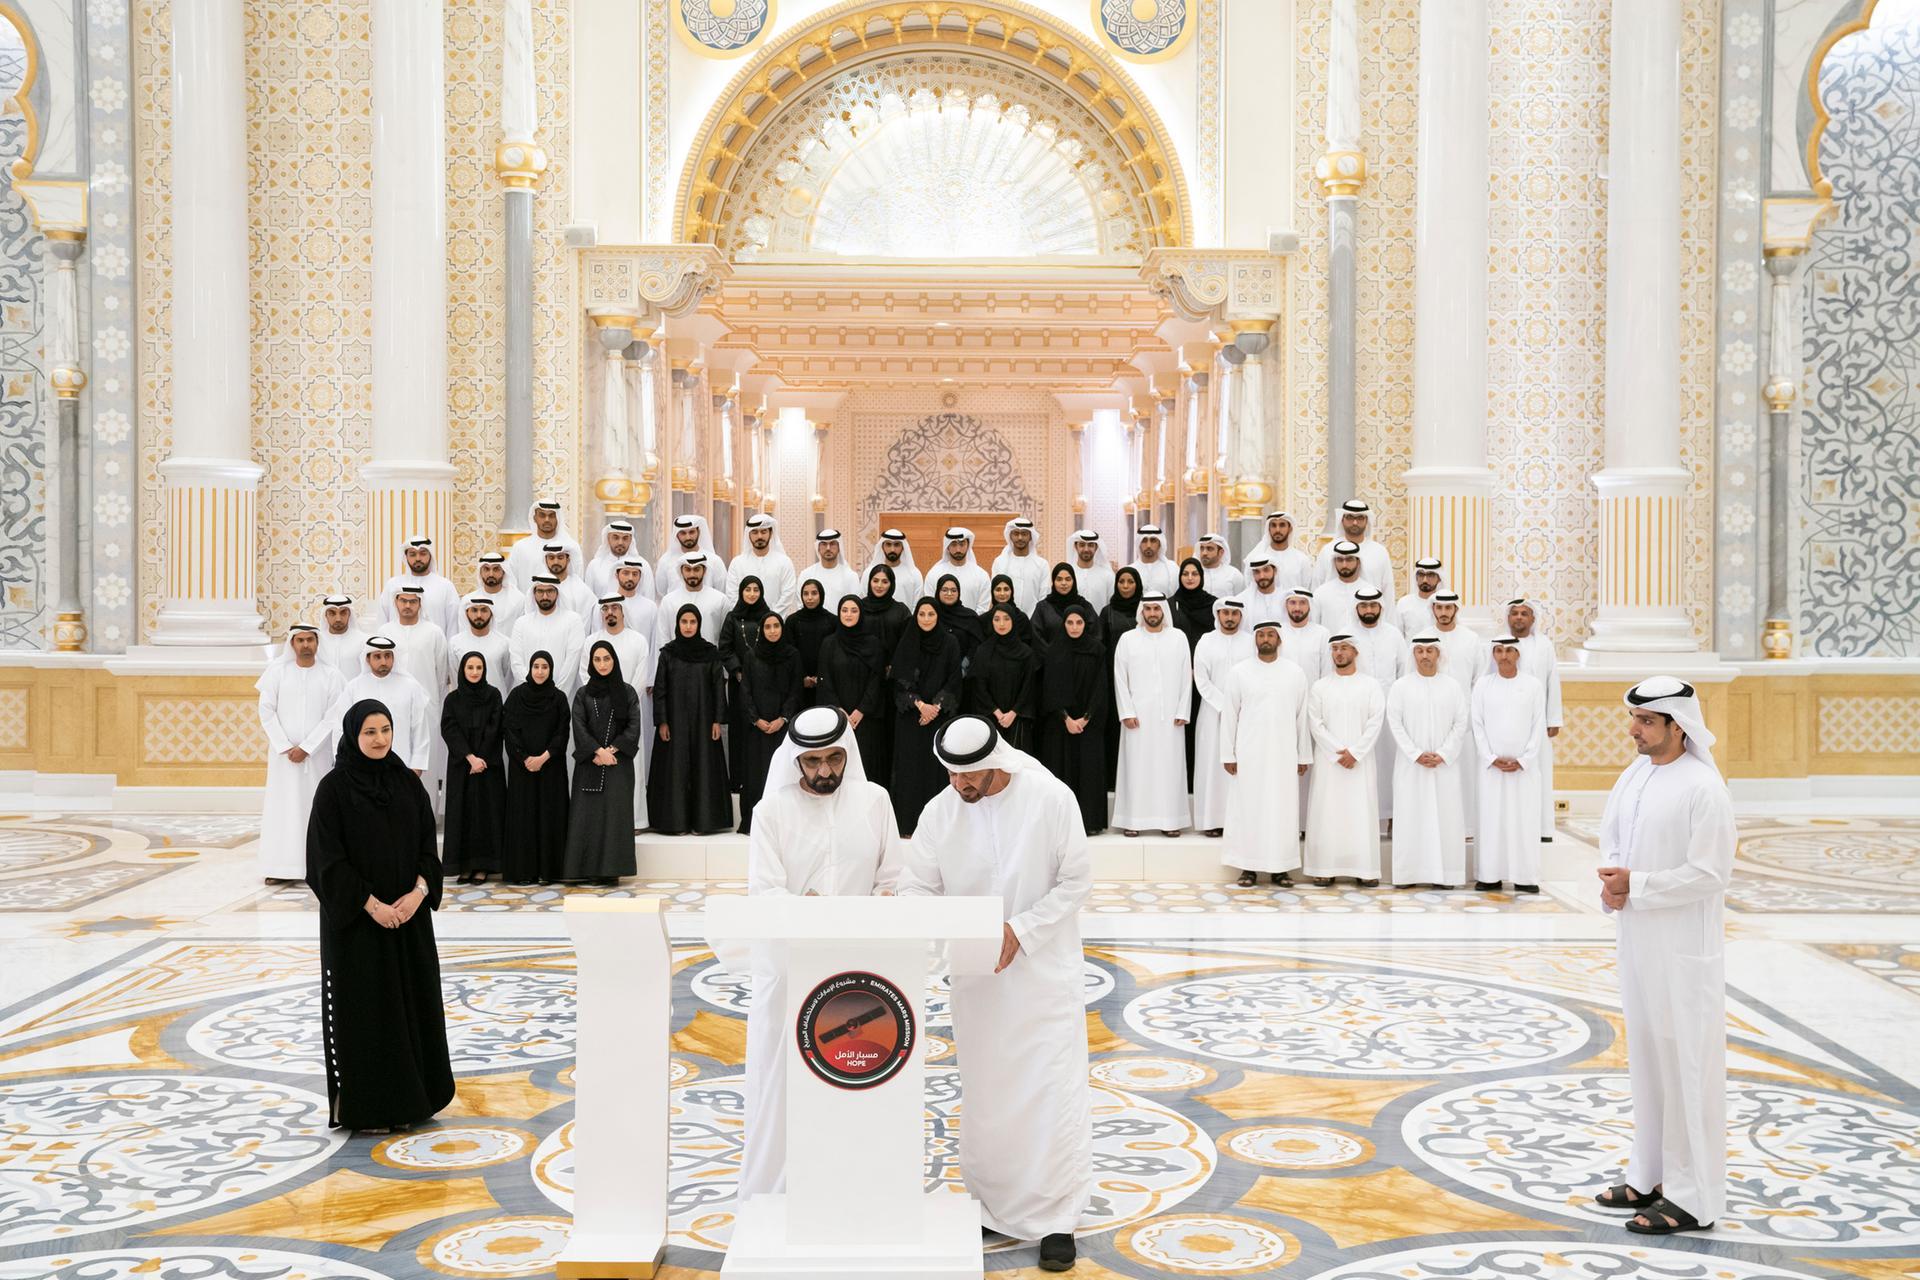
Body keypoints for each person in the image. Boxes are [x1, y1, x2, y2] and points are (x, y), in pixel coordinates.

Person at [896, 716, 1092, 1272]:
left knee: (1049, 1091)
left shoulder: (1051, 798)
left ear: (997, 760)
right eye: (953, 773)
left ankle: (1056, 1219)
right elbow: (917, 885)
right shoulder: (940, 812)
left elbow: (1077, 882)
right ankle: (995, 1206)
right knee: (988, 1092)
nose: (962, 784)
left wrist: (1020, 930)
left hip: (1044, 974)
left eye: (971, 773)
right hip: (977, 980)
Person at [740, 707, 905, 1198]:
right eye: (813, 762)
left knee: (859, 1078)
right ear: (795, 761)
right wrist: (800, 907)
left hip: (861, 975)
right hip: (790, 970)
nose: (826, 771)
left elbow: (893, 878)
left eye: (835, 759)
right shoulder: (770, 813)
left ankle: (854, 1192)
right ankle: (774, 1196)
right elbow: (763, 892)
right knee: (782, 1083)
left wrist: (882, 902)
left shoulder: (875, 801)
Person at [1594, 677, 1736, 1237]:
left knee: (1687, 1069)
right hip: (1639, 941)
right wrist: (1611, 884)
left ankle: (1693, 1197)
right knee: (1649, 1064)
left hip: (1682, 952)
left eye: (1647, 722)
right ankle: (1650, 1176)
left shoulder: (1704, 788)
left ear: (1679, 726)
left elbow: (1711, 873)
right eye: (1634, 720)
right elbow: (1612, 839)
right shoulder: (1637, 774)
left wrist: (1639, 884)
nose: (1634, 730)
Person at [306, 699, 453, 1134]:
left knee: (412, 1006)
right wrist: (371, 905)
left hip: (409, 921)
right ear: (353, 734)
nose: (380, 739)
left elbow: (429, 848)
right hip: (358, 928)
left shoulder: (407, 785)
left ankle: (416, 1100)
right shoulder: (333, 789)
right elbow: (324, 861)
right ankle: (369, 1107)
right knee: (367, 1015)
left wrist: (417, 894)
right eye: (369, 731)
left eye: (385, 729)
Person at [1220, 619, 1312, 887]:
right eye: (1261, 635)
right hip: (1249, 754)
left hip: (1283, 754)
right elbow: (1230, 716)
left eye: (1271, 634)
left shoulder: (1294, 673)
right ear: (1255, 640)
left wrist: (1303, 755)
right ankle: (1248, 868)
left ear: (1279, 640)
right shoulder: (1240, 672)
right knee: (1249, 808)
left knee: (1281, 810)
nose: (1266, 639)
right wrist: (1229, 753)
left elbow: (1301, 717)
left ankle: (1280, 869)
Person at [256, 624, 344, 883]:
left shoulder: (332, 675)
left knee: (316, 808)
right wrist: (284, 745)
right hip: (283, 758)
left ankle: (316, 866)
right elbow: (266, 711)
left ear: (318, 643)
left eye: (310, 640)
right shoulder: (276, 673)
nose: (305, 645)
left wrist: (307, 747)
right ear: (292, 644)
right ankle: (279, 868)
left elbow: (334, 716)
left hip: (317, 757)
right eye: (300, 640)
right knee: (283, 808)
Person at [1386, 638, 1470, 888]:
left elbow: (1460, 722)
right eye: (1420, 651)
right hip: (1410, 766)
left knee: (1445, 818)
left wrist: (1443, 753)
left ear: (1438, 654)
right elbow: (1395, 723)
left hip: (1444, 766)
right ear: (1414, 655)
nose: (1425, 655)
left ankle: (1446, 876)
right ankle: (1407, 875)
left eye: (1429, 651)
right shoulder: (1401, 687)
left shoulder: (1452, 687)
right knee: (1411, 817)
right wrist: (1415, 753)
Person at [1304, 635, 1385, 887]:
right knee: (1327, 812)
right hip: (1330, 763)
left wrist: (1356, 752)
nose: (1339, 653)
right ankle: (1324, 868)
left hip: (1360, 762)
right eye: (1335, 649)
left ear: (1355, 652)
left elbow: (1375, 721)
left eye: (1344, 648)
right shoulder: (1320, 687)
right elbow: (1315, 724)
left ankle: (1365, 869)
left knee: (1360, 812)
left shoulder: (1371, 685)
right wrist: (1338, 752)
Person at [562, 641, 644, 884]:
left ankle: (610, 870)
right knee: (587, 816)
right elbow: (578, 725)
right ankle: (583, 870)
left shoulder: (627, 692)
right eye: (597, 660)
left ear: (614, 660)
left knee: (614, 816)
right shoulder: (583, 694)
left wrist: (613, 750)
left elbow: (634, 725)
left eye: (606, 659)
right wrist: (598, 751)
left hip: (618, 764)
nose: (602, 664)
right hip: (590, 762)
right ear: (591, 663)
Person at [1111, 592, 1192, 838]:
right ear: (1142, 612)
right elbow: (1119, 677)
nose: (1153, 614)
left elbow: (1186, 677)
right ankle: (1132, 819)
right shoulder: (1128, 639)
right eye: (1149, 609)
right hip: (1137, 717)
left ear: (1164, 611)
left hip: (1170, 718)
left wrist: (1182, 710)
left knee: (1170, 767)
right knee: (1136, 767)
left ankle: (1171, 820)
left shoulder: (1178, 638)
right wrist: (1126, 711)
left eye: (1157, 609)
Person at [648, 604, 733, 835]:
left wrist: (717, 720)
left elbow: (718, 688)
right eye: (684, 622)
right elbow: (661, 689)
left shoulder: (710, 653)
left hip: (704, 722)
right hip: (674, 724)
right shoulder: (668, 653)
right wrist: (662, 721)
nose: (688, 627)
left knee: (703, 768)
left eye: (692, 622)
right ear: (678, 624)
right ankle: (676, 823)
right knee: (675, 770)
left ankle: (703, 823)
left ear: (699, 624)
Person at [1472, 637, 1547, 892]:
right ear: (1493, 654)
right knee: (1491, 820)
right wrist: (1490, 757)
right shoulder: (1483, 685)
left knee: (1523, 821)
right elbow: (1477, 724)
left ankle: (1525, 877)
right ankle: (1489, 875)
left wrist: (1524, 759)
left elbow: (1538, 726)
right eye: (1499, 651)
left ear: (1518, 654)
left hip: (1523, 770)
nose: (1504, 656)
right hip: (1491, 769)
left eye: (1509, 651)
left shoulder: (1533, 686)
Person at [887, 597, 962, 835]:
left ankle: (939, 828)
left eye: (931, 614)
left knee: (936, 770)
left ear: (938, 616)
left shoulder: (950, 642)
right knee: (910, 770)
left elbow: (954, 679)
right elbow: (899, 682)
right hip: (911, 718)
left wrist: (935, 707)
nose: (926, 619)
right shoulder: (907, 642)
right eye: (922, 614)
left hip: (938, 720)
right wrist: (920, 705)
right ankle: (909, 825)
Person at [376, 586, 453, 814]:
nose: (407, 606)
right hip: (390, 708)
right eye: (403, 601)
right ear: (396, 603)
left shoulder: (434, 632)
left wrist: (430, 700)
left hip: (427, 707)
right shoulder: (384, 631)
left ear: (420, 604)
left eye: (413, 601)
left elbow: (441, 674)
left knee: (424, 761)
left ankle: (426, 815)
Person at [1037, 602, 1110, 835]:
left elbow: (1101, 688)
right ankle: (1062, 825)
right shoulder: (1054, 651)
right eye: (1070, 622)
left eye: (1079, 622)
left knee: (1088, 772)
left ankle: (1089, 823)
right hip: (1061, 726)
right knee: (1063, 771)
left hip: (1089, 725)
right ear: (1064, 624)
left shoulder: (1097, 650)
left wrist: (1086, 718)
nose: (1075, 627)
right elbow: (1050, 689)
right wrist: (1066, 718)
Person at [501, 652, 570, 885]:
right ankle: (524, 871)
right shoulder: (516, 697)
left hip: (551, 768)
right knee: (524, 818)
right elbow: (509, 732)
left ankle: (549, 871)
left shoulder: (559, 698)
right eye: (536, 666)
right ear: (529, 669)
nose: (540, 671)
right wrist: (525, 759)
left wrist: (543, 757)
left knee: (550, 817)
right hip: (523, 770)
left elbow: (562, 732)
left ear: (551, 670)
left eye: (544, 667)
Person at [441, 652, 507, 884]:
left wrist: (481, 759)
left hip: (488, 767)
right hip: (463, 767)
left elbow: (495, 727)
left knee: (486, 816)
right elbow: (449, 729)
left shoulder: (493, 695)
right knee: (463, 814)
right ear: (462, 670)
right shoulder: (453, 699)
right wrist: (470, 757)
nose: (475, 672)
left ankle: (483, 867)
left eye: (479, 667)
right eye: (470, 667)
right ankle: (464, 866)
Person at [734, 612, 804, 833]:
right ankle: (756, 823)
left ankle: (785, 825)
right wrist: (756, 719)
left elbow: (796, 690)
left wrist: (783, 718)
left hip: (783, 728)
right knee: (757, 775)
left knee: (784, 775)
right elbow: (745, 691)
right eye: (768, 627)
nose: (773, 631)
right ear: (762, 630)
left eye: (776, 626)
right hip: (758, 729)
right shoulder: (752, 656)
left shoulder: (792, 655)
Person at [1501, 596, 1563, 837]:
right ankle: (1510, 827)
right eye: (1514, 613)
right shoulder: (1500, 645)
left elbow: (1552, 681)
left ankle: (1541, 828)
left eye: (1523, 614)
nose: (1518, 617)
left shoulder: (1544, 645)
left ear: (1532, 619)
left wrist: (1553, 719)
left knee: (1538, 772)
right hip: (1505, 720)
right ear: (1508, 618)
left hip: (1537, 722)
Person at [1191, 598, 1253, 836]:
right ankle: (1211, 821)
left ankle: (1238, 822)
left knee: (1240, 768)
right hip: (1211, 713)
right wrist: (1223, 705)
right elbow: (1201, 678)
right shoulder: (1206, 641)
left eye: (1234, 613)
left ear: (1241, 616)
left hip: (1245, 713)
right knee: (1211, 766)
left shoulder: (1250, 642)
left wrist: (1239, 707)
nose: (1229, 617)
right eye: (1225, 613)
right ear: (1218, 614)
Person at [329, 637, 430, 776]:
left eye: (388, 656)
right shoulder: (354, 687)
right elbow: (341, 727)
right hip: (361, 767)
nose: (383, 662)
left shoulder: (411, 687)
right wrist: (340, 759)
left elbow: (419, 729)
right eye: (377, 657)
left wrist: (417, 766)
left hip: (402, 766)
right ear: (367, 659)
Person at [817, 594, 890, 783]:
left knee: (867, 768)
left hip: (867, 719)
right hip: (837, 719)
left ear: (861, 614)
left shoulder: (873, 644)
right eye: (844, 610)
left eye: (854, 610)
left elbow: (876, 680)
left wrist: (861, 710)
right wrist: (838, 710)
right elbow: (825, 680)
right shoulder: (829, 643)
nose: (849, 614)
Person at [1351, 588, 1406, 831]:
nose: (1369, 610)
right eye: (1364, 606)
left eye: (1373, 606)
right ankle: (1363, 819)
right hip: (1358, 710)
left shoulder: (1394, 635)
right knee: (1362, 765)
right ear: (1357, 609)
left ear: (1381, 608)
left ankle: (1394, 816)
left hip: (1391, 708)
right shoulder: (1347, 635)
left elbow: (1404, 671)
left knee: (1391, 763)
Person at [720, 576, 775, 772]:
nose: (752, 594)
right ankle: (739, 779)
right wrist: (737, 670)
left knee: (763, 727)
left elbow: (776, 646)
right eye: (748, 589)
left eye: (756, 590)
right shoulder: (732, 618)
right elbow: (725, 649)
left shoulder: (769, 617)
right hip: (739, 683)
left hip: (767, 684)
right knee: (741, 729)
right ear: (741, 592)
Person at [966, 604, 1039, 752]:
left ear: (1013, 621)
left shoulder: (1026, 653)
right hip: (990, 717)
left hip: (1018, 719)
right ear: (991, 622)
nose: (1001, 624)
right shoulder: (983, 651)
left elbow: (1028, 686)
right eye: (997, 619)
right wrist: (997, 712)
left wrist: (1013, 713)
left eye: (1006, 619)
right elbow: (979, 686)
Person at [1098, 567, 1144, 788]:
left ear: (1138, 585)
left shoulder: (1147, 611)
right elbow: (1101, 647)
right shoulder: (1107, 612)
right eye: (1122, 582)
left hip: (1141, 682)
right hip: (1112, 679)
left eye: (1130, 582)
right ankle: (1115, 782)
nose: (1126, 586)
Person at [510, 577, 585, 693]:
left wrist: (556, 694)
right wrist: (531, 690)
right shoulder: (521, 623)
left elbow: (572, 663)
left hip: (562, 695)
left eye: (550, 591)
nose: (545, 596)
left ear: (557, 593)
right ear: (534, 594)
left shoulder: (573, 620)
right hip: (528, 697)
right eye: (540, 591)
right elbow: (516, 662)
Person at [378, 535, 460, 636]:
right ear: (406, 557)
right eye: (412, 554)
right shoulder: (392, 585)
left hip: (433, 649)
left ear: (430, 555)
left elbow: (453, 627)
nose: (418, 558)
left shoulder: (445, 586)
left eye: (423, 553)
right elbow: (382, 622)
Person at [1313, 499, 1394, 592]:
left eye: (1360, 518)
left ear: (1367, 520)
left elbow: (1387, 588)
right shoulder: (1328, 550)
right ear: (1342, 520)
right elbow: (1317, 585)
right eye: (1350, 517)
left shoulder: (1379, 552)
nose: (1355, 522)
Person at [654, 553, 731, 651]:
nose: (692, 574)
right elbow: (662, 638)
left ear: (704, 571)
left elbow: (726, 639)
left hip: (710, 663)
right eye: (687, 569)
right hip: (676, 664)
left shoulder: (720, 600)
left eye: (697, 569)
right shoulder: (668, 601)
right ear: (681, 572)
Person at [507, 499, 584, 592]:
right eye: (542, 515)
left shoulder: (570, 547)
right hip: (527, 605)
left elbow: (577, 581)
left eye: (551, 516)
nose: (547, 520)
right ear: (535, 518)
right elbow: (511, 582)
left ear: (557, 518)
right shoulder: (520, 547)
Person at [728, 513, 797, 614]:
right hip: (744, 623)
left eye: (763, 531)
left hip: (775, 624)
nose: (759, 536)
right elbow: (732, 595)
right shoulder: (737, 563)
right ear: (749, 535)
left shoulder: (784, 562)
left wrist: (771, 618)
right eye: (755, 532)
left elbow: (788, 594)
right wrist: (747, 618)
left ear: (771, 533)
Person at [785, 578, 837, 707]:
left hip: (827, 684)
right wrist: (803, 678)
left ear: (821, 595)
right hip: (799, 684)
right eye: (805, 594)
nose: (809, 598)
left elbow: (835, 653)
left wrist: (821, 678)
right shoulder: (792, 621)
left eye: (814, 593)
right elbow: (790, 652)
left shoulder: (832, 621)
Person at [1312, 541, 1378, 636]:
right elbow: (1314, 629)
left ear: (1358, 561)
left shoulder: (1371, 592)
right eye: (1340, 560)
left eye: (1349, 559)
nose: (1344, 565)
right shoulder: (1321, 593)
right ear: (1334, 562)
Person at [454, 595, 513, 701]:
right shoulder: (455, 643)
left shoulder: (504, 643)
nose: (479, 615)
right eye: (474, 610)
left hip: (497, 704)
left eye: (484, 610)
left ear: (491, 613)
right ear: (467, 613)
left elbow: (508, 678)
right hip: (465, 704)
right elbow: (454, 676)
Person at [658, 513, 728, 598]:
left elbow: (721, 591)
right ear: (676, 535)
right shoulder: (666, 560)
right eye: (683, 533)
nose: (688, 537)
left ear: (698, 532)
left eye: (691, 532)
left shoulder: (714, 560)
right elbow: (661, 591)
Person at [1032, 562, 1097, 650]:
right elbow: (1036, 636)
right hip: (1050, 660)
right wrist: (1052, 656)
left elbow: (1095, 634)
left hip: (1080, 659)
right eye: (1059, 579)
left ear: (1073, 581)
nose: (1063, 583)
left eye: (1068, 579)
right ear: (1053, 581)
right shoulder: (1043, 607)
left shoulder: (1084, 606)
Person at [990, 516, 1050, 611]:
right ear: (1010, 536)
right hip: (1005, 620)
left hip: (1033, 621)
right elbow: (996, 593)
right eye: (1016, 533)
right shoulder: (1000, 563)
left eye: (1024, 534)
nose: (1020, 538)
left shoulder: (1042, 564)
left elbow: (1044, 596)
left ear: (1030, 536)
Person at [586, 518, 653, 600]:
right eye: (616, 537)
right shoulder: (594, 566)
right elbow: (589, 601)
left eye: (625, 538)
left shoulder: (643, 565)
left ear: (631, 540)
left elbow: (649, 598)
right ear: (608, 538)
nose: (620, 542)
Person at [1245, 511, 1313, 593]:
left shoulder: (1302, 559)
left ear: (1290, 528)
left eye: (1282, 525)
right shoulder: (1257, 557)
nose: (1277, 530)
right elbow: (1250, 587)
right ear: (1268, 529)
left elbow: (1306, 589)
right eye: (1273, 525)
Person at [858, 563, 911, 663]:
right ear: (869, 582)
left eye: (885, 582)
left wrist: (895, 666)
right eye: (875, 581)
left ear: (891, 584)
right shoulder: (859, 607)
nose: (879, 586)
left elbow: (908, 643)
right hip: (863, 668)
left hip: (893, 671)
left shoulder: (901, 611)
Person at [932, 572, 987, 666]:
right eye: (945, 590)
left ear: (959, 593)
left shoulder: (969, 617)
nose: (949, 594)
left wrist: (965, 665)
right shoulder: (931, 615)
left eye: (953, 590)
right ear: (938, 592)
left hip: (963, 672)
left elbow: (976, 645)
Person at [796, 528, 861, 606]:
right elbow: (801, 605)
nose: (828, 548)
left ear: (839, 547)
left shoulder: (851, 576)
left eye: (832, 543)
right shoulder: (806, 575)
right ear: (818, 548)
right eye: (824, 544)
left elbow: (855, 605)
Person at [863, 526, 924, 604]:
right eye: (888, 544)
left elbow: (916, 606)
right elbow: (864, 602)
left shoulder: (914, 574)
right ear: (882, 547)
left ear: (903, 547)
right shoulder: (869, 573)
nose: (892, 549)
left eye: (897, 545)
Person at [936, 526, 992, 611]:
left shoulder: (981, 575)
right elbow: (932, 605)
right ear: (947, 546)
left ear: (968, 545)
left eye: (962, 544)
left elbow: (983, 607)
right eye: (954, 544)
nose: (958, 549)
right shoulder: (935, 573)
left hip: (972, 623)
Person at [541, 543, 597, 625]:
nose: (556, 562)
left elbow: (584, 624)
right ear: (546, 560)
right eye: (551, 558)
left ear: (568, 560)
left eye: (560, 557)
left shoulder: (581, 590)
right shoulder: (539, 589)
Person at [317, 594, 371, 679]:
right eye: (332, 613)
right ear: (325, 615)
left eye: (343, 613)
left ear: (349, 614)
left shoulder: (363, 640)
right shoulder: (317, 641)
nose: (338, 618)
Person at [607, 558, 661, 642]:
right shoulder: (606, 606)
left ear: (640, 577)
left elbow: (654, 641)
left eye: (635, 574)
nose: (630, 578)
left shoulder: (650, 607)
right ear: (616, 575)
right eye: (626, 573)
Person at [473, 553, 526, 635]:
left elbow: (522, 633)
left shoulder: (519, 600)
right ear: (480, 573)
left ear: (504, 572)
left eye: (496, 569)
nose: (491, 574)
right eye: (486, 569)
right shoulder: (470, 601)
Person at [1067, 529, 1114, 613]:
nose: (1086, 549)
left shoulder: (1107, 575)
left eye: (1090, 545)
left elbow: (1112, 606)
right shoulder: (1067, 574)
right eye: (1082, 545)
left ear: (1096, 547)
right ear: (1076, 546)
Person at [1397, 558, 1445, 637]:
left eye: (1430, 575)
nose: (1425, 580)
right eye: (1421, 575)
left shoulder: (1446, 605)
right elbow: (1398, 637)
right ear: (1416, 577)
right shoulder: (1404, 603)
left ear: (1439, 579)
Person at [1126, 523, 1177, 596]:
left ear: (1160, 544)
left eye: (1153, 540)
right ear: (1139, 544)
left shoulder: (1172, 569)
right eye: (1144, 541)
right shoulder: (1129, 570)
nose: (1148, 545)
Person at [1239, 552, 1287, 628]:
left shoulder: (1286, 599)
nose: (1262, 576)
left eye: (1266, 570)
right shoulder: (1242, 600)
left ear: (1275, 571)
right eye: (1257, 572)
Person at [1195, 533, 1245, 598]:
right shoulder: (1193, 574)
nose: (1204, 553)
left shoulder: (1234, 574)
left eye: (1209, 549)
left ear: (1221, 552)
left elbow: (1241, 601)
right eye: (1202, 548)